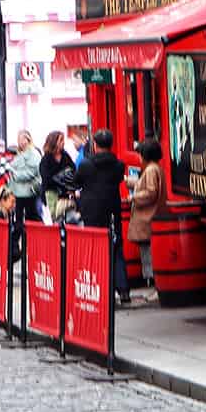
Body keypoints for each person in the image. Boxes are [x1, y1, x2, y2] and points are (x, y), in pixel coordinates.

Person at [77, 128, 130, 303]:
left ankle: (102, 288)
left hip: (91, 212)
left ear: (95, 145)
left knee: (95, 249)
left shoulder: (86, 165)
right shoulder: (119, 166)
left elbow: (76, 181)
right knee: (116, 247)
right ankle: (123, 290)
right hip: (112, 210)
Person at [127, 137, 167, 284]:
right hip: (153, 216)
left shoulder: (150, 170)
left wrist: (134, 197)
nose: (139, 157)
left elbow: (151, 192)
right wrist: (130, 182)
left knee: (148, 254)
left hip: (147, 217)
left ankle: (154, 283)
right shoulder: (156, 168)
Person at [40, 131, 76, 222]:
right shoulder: (46, 159)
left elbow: (73, 171)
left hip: (66, 194)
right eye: (61, 140)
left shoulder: (65, 155)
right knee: (56, 221)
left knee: (70, 220)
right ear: (53, 142)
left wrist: (60, 178)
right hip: (51, 194)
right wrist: (63, 177)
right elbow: (47, 179)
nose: (63, 142)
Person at [8, 130, 43, 223]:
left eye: (22, 139)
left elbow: (32, 172)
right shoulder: (21, 153)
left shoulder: (33, 154)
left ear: (28, 139)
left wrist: (16, 175)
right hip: (19, 192)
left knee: (30, 216)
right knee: (20, 217)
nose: (20, 142)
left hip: (28, 192)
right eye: (18, 139)